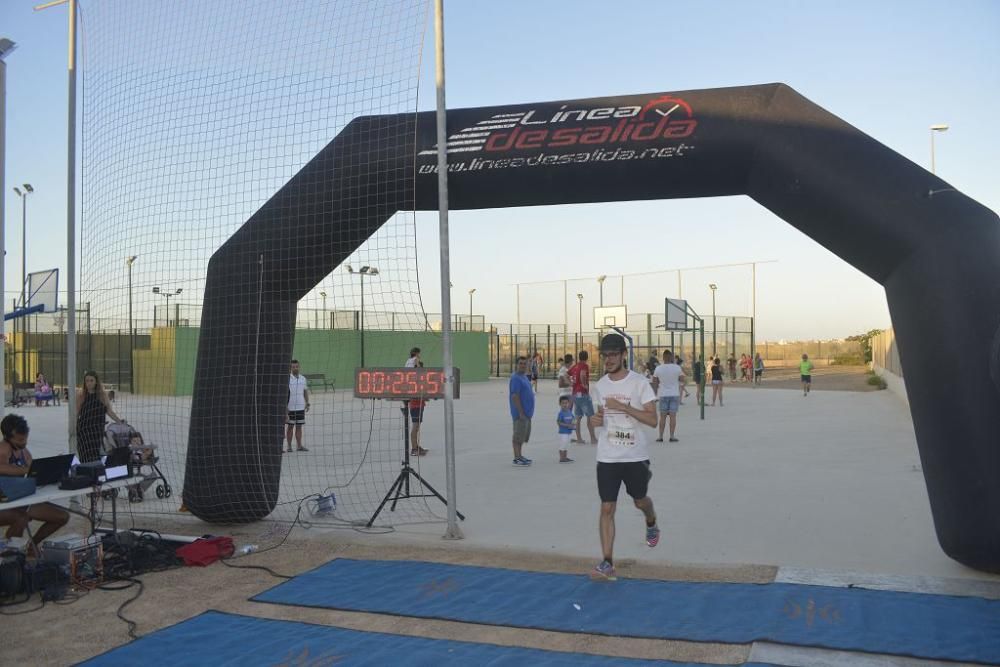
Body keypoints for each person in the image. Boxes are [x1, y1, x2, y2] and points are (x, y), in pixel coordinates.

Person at [588, 333, 660, 581]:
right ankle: (607, 562)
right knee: (607, 507)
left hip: (634, 456)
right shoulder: (600, 386)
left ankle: (651, 519)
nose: (608, 359)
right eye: (605, 355)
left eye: (613, 355)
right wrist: (594, 421)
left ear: (622, 355)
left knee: (640, 501)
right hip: (608, 456)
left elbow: (653, 420)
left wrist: (626, 407)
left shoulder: (639, 383)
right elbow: (598, 418)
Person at [0, 414, 69, 548]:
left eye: (25, 438)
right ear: (8, 437)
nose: (24, 442)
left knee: (62, 517)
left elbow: (34, 472)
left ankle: (31, 547)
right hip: (5, 501)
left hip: (21, 499)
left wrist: (53, 470)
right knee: (21, 518)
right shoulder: (3, 449)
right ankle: (10, 556)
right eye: (20, 439)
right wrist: (25, 470)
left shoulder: (23, 451)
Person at [76, 370, 124, 463]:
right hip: (84, 430)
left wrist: (119, 421)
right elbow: (77, 413)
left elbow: (109, 411)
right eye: (87, 381)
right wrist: (73, 428)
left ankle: (95, 475)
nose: (89, 383)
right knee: (85, 455)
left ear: (96, 381)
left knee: (96, 455)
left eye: (91, 380)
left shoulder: (102, 395)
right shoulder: (81, 395)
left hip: (97, 430)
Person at [652, 350, 685, 443]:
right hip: (674, 394)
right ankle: (672, 436)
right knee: (673, 416)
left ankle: (660, 436)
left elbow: (654, 382)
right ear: (671, 358)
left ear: (663, 358)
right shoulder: (677, 368)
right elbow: (682, 379)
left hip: (663, 394)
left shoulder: (658, 368)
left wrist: (655, 393)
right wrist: (678, 383)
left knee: (662, 417)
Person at [509, 356, 535, 467]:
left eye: (525, 363)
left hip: (527, 413)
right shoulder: (515, 378)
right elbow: (515, 396)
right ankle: (517, 458)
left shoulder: (524, 376)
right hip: (520, 414)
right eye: (521, 363)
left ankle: (520, 455)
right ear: (517, 365)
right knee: (517, 436)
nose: (523, 365)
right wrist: (520, 412)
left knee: (522, 436)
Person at [569, 350, 598, 444]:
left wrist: (571, 384)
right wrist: (584, 384)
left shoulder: (575, 366)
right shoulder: (584, 366)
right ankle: (593, 438)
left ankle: (579, 439)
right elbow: (582, 374)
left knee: (578, 417)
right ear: (587, 357)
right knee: (590, 416)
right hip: (582, 394)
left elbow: (566, 374)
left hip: (575, 395)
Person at [286, 360, 310, 452]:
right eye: (293, 367)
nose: (295, 368)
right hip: (290, 408)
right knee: (290, 427)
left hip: (300, 407)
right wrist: (285, 407)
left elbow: (305, 391)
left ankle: (299, 446)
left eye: (297, 366)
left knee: (299, 426)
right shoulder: (287, 379)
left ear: (299, 367)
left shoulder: (303, 378)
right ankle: (289, 446)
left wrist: (307, 403)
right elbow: (285, 394)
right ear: (290, 368)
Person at [556, 396, 575, 463]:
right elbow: (558, 422)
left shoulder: (569, 412)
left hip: (569, 432)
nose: (565, 405)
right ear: (560, 404)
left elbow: (573, 419)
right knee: (563, 444)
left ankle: (565, 457)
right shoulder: (561, 413)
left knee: (566, 445)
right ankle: (561, 458)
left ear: (569, 404)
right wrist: (567, 425)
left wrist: (573, 425)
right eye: (563, 403)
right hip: (563, 432)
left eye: (566, 403)